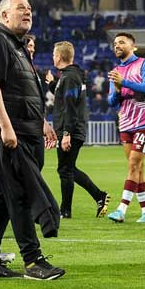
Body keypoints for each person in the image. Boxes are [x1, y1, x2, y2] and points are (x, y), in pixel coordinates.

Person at [0, 0, 64, 280]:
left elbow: (24, 91)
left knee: (3, 196)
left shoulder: (16, 45)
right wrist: (6, 127)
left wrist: (41, 122)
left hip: (19, 130)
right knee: (21, 193)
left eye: (30, 9)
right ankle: (33, 260)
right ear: (3, 16)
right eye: (20, 8)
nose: (28, 12)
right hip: (0, 132)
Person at [49, 41, 108, 219]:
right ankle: (99, 196)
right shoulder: (70, 76)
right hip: (72, 128)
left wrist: (67, 133)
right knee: (68, 169)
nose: (53, 57)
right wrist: (53, 85)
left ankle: (65, 210)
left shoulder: (70, 77)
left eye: (54, 54)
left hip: (71, 130)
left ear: (59, 56)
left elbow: (70, 106)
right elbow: (66, 99)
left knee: (65, 170)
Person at [105, 32, 145, 225]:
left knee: (133, 165)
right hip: (126, 123)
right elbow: (111, 101)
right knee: (138, 168)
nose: (117, 45)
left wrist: (124, 82)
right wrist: (118, 89)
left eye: (121, 42)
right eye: (115, 43)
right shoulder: (115, 71)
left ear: (133, 46)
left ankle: (121, 209)